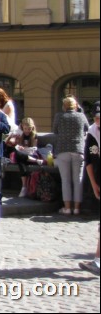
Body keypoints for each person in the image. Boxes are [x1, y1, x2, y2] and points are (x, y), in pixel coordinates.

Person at [53, 96, 89, 215]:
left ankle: (67, 208)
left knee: (66, 181)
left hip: (63, 149)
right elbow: (87, 129)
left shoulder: (59, 116)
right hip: (78, 149)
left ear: (64, 106)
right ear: (76, 106)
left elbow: (55, 131)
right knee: (77, 180)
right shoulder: (81, 116)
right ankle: (77, 208)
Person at [79, 102, 100, 275]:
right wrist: (94, 185)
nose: (99, 120)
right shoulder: (93, 132)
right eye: (96, 116)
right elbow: (89, 160)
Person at [5, 117, 42, 197]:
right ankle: (35, 161)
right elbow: (13, 144)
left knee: (20, 159)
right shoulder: (20, 134)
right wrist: (20, 146)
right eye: (25, 129)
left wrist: (27, 149)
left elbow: (34, 148)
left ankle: (24, 187)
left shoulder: (34, 136)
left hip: (31, 154)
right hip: (24, 156)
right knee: (19, 156)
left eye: (29, 129)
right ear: (22, 127)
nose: (27, 131)